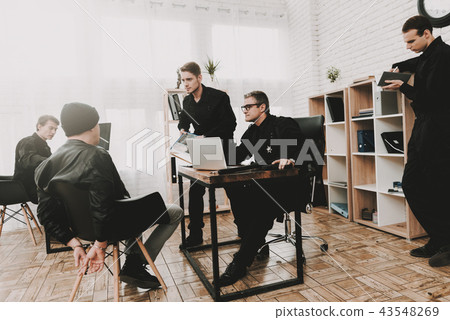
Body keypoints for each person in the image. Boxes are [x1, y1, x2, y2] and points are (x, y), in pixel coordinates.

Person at [35, 102, 183, 289]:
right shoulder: (98, 155)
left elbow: (46, 215)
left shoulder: (45, 165)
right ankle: (135, 264)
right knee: (175, 211)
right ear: (92, 126)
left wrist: (75, 244)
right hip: (109, 228)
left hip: (83, 231)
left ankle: (134, 263)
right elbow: (103, 206)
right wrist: (100, 244)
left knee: (132, 208)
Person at [218, 91, 307, 286]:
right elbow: (235, 156)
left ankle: (240, 263)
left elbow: (307, 149)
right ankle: (253, 242)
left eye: (248, 107)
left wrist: (291, 158)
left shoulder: (284, 124)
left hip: (289, 186)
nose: (244, 111)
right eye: (244, 107)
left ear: (262, 107)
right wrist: (211, 150)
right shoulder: (252, 132)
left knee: (261, 209)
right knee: (232, 185)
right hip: (265, 184)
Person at [383, 15, 450, 268]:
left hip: (440, 128)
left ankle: (446, 242)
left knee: (439, 186)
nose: (407, 45)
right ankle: (440, 237)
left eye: (411, 40)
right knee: (412, 183)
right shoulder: (425, 57)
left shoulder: (444, 56)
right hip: (423, 126)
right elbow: (408, 63)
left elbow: (430, 97)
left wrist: (402, 85)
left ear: (427, 34)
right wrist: (398, 71)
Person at [177, 61, 237, 247]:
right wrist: (183, 129)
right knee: (195, 191)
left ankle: (248, 234)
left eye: (189, 79)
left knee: (235, 194)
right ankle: (195, 235)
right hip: (203, 149)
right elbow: (183, 120)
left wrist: (206, 135)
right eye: (183, 80)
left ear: (199, 78)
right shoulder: (187, 100)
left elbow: (231, 124)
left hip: (225, 147)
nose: (185, 84)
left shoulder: (218, 97)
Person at [13, 115, 59, 204]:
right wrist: (54, 160)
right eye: (51, 128)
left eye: (55, 129)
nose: (53, 132)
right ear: (39, 126)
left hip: (39, 185)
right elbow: (28, 160)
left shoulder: (44, 145)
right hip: (26, 188)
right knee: (65, 194)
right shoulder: (27, 141)